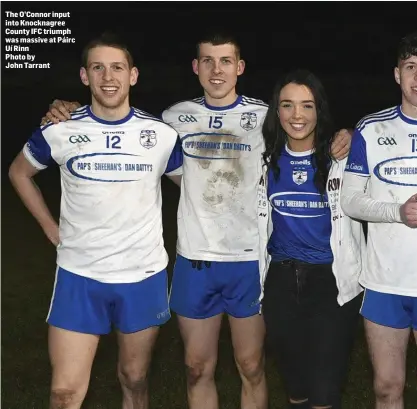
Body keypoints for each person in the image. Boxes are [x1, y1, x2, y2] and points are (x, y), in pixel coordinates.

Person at [39, 33, 353, 409]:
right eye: (207, 61)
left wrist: (344, 135)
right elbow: (125, 127)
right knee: (196, 367)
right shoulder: (171, 120)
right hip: (195, 259)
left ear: (239, 68)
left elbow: (306, 126)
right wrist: (66, 107)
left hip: (249, 260)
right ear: (195, 67)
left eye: (224, 61)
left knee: (251, 365)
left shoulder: (266, 116)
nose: (215, 70)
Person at [9, 34, 182, 409]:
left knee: (134, 380)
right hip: (79, 275)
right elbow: (19, 173)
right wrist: (50, 229)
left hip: (143, 274)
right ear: (85, 76)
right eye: (97, 67)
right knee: (64, 393)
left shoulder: (164, 137)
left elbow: (196, 187)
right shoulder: (59, 128)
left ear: (133, 75)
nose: (108, 76)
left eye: (117, 67)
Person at [341, 30, 417, 409]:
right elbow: (350, 201)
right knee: (386, 389)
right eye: (411, 67)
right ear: (397, 74)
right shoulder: (369, 130)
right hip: (383, 281)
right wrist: (397, 213)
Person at [257, 69, 365, 409]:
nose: (297, 115)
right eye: (287, 105)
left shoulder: (343, 158)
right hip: (280, 282)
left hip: (330, 282)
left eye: (307, 105)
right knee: (296, 388)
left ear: (320, 110)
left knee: (324, 390)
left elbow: (381, 139)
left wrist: (353, 132)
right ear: (277, 111)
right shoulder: (263, 158)